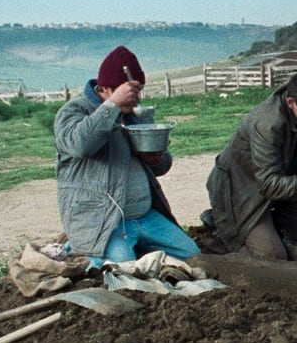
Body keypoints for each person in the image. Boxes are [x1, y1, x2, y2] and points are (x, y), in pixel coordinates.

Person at [54, 45, 199, 268]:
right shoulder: (74, 111)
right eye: (132, 91)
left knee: (193, 257)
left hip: (145, 216)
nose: (137, 98)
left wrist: (156, 159)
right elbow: (80, 145)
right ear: (107, 88)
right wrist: (112, 106)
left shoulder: (134, 112)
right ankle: (80, 247)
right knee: (123, 270)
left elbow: (163, 163)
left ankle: (130, 248)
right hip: (105, 221)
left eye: (139, 91)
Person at [203, 70, 297, 259]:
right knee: (273, 256)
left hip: (280, 178)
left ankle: (277, 228)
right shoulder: (267, 124)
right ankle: (222, 227)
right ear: (292, 103)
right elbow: (268, 184)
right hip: (242, 192)